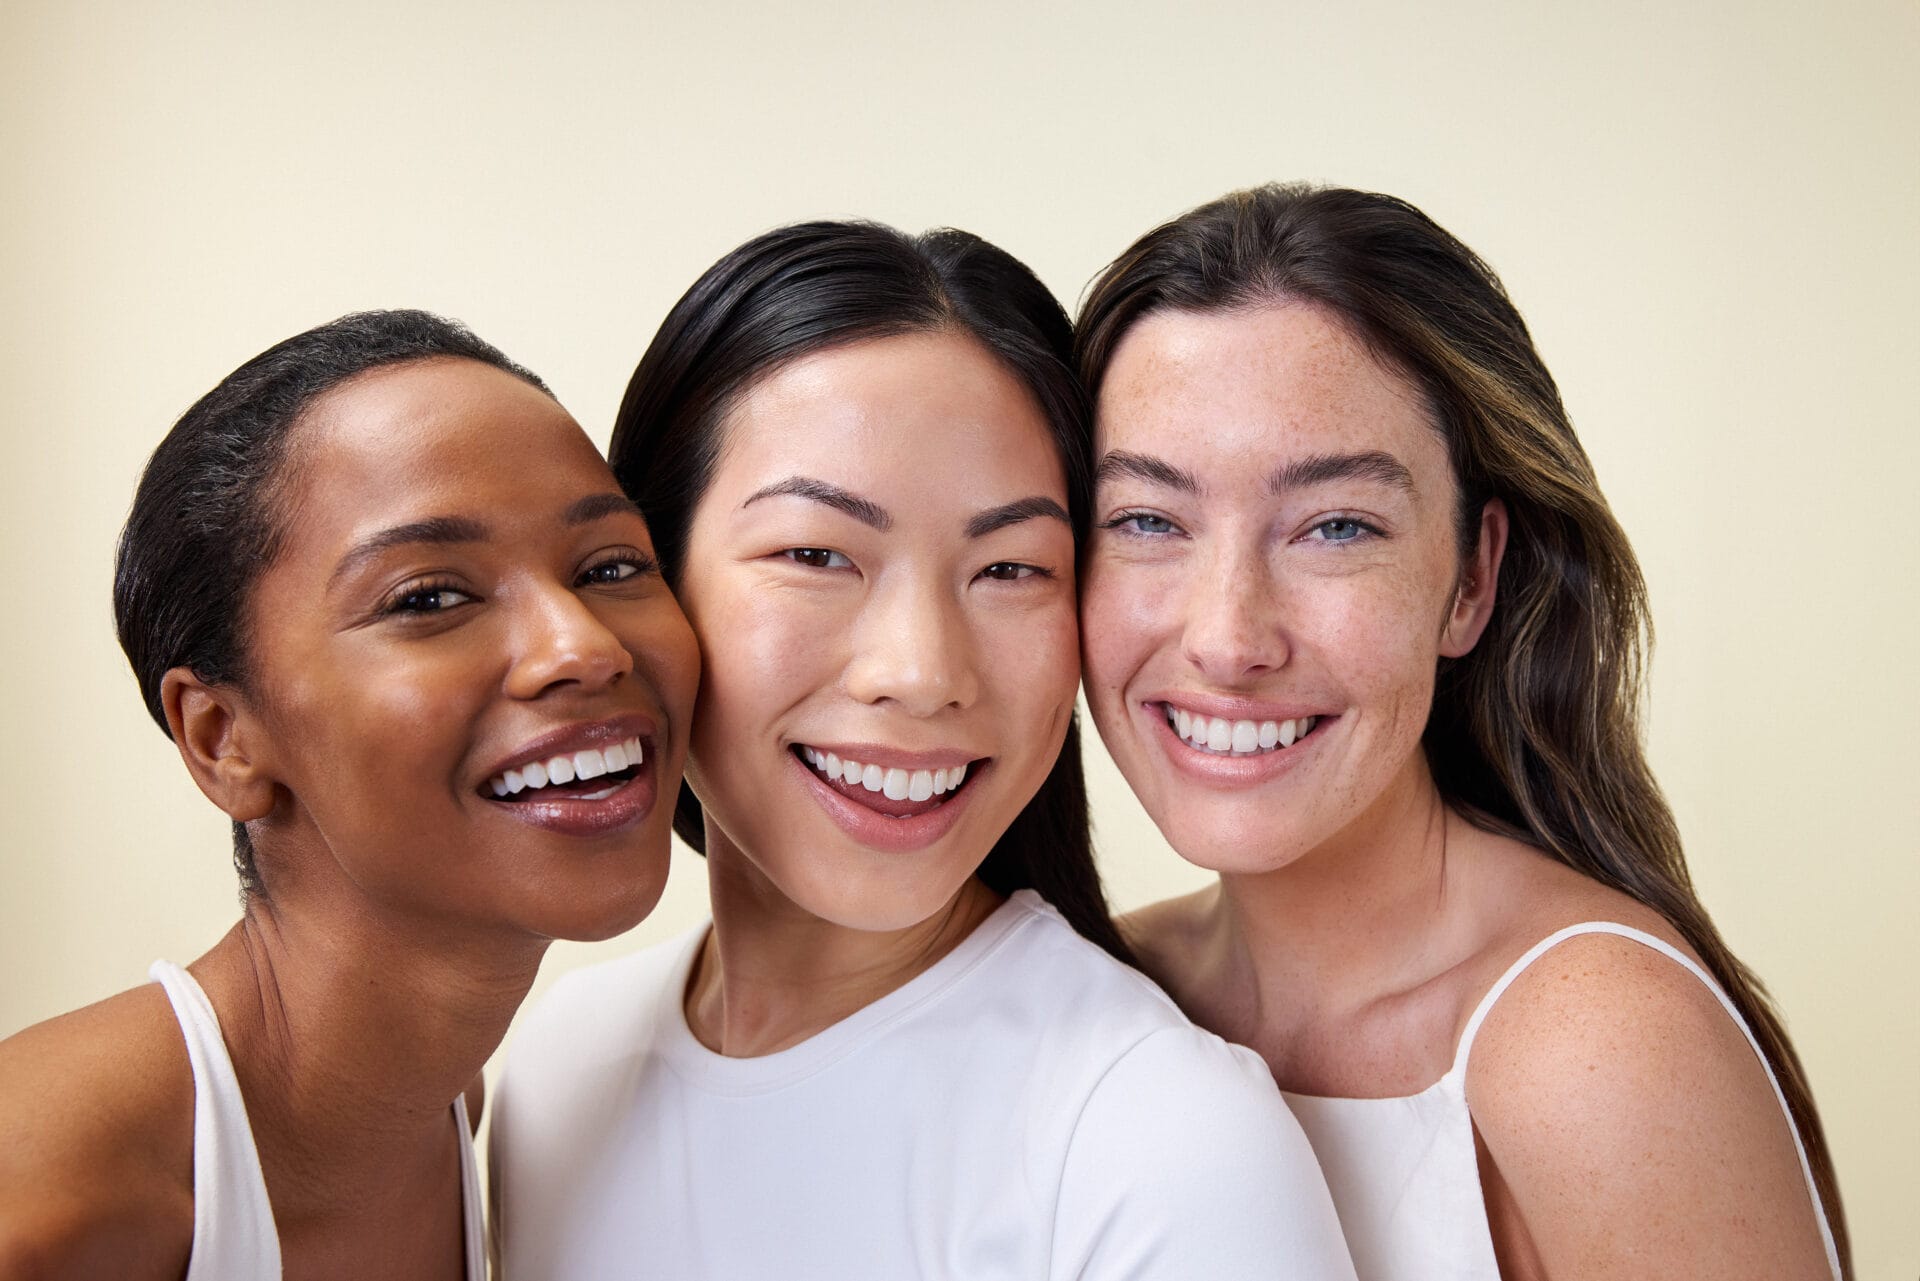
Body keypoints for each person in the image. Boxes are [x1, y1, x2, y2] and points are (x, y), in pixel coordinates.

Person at [489, 221, 1356, 1280]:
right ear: (649, 582)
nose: (923, 669)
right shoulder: (553, 1068)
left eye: (1009, 569)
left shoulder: (1155, 1135)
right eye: (816, 552)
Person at [1074, 183, 1848, 1281]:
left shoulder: (1593, 1045)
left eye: (1336, 526)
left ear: (1472, 579)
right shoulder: (1100, 988)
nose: (1229, 637)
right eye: (1148, 520)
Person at [0, 310, 699, 1279]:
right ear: (222, 737)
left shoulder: (448, 1119)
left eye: (612, 567)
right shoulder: (47, 1198)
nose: (585, 646)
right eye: (427, 597)